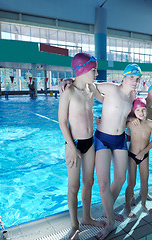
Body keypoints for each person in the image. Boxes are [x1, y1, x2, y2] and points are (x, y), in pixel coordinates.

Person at [58, 53, 105, 239]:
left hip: (90, 141)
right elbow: (62, 121)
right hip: (74, 143)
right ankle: (74, 224)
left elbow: (105, 98)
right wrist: (70, 146)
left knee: (89, 182)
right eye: (93, 69)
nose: (96, 72)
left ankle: (86, 217)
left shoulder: (90, 88)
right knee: (74, 186)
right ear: (83, 70)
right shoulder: (68, 92)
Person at [93, 64, 141, 239]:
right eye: (131, 77)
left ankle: (107, 212)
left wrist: (131, 119)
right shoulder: (112, 88)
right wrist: (70, 80)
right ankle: (111, 222)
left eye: (137, 79)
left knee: (120, 178)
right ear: (124, 77)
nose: (135, 81)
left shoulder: (133, 96)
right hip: (102, 139)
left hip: (120, 139)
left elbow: (128, 114)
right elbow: (89, 84)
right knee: (104, 183)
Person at [129, 81, 152, 205]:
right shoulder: (138, 102)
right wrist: (132, 118)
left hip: (145, 144)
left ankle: (143, 192)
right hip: (131, 141)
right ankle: (131, 194)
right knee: (132, 174)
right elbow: (126, 117)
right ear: (149, 90)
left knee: (145, 173)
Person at [124, 97, 152, 218]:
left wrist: (144, 152)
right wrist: (129, 118)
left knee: (144, 181)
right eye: (138, 110)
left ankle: (143, 204)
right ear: (134, 111)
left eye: (143, 110)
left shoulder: (151, 124)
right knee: (131, 183)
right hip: (132, 156)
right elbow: (119, 123)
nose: (141, 113)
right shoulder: (131, 123)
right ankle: (127, 207)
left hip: (144, 155)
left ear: (147, 110)